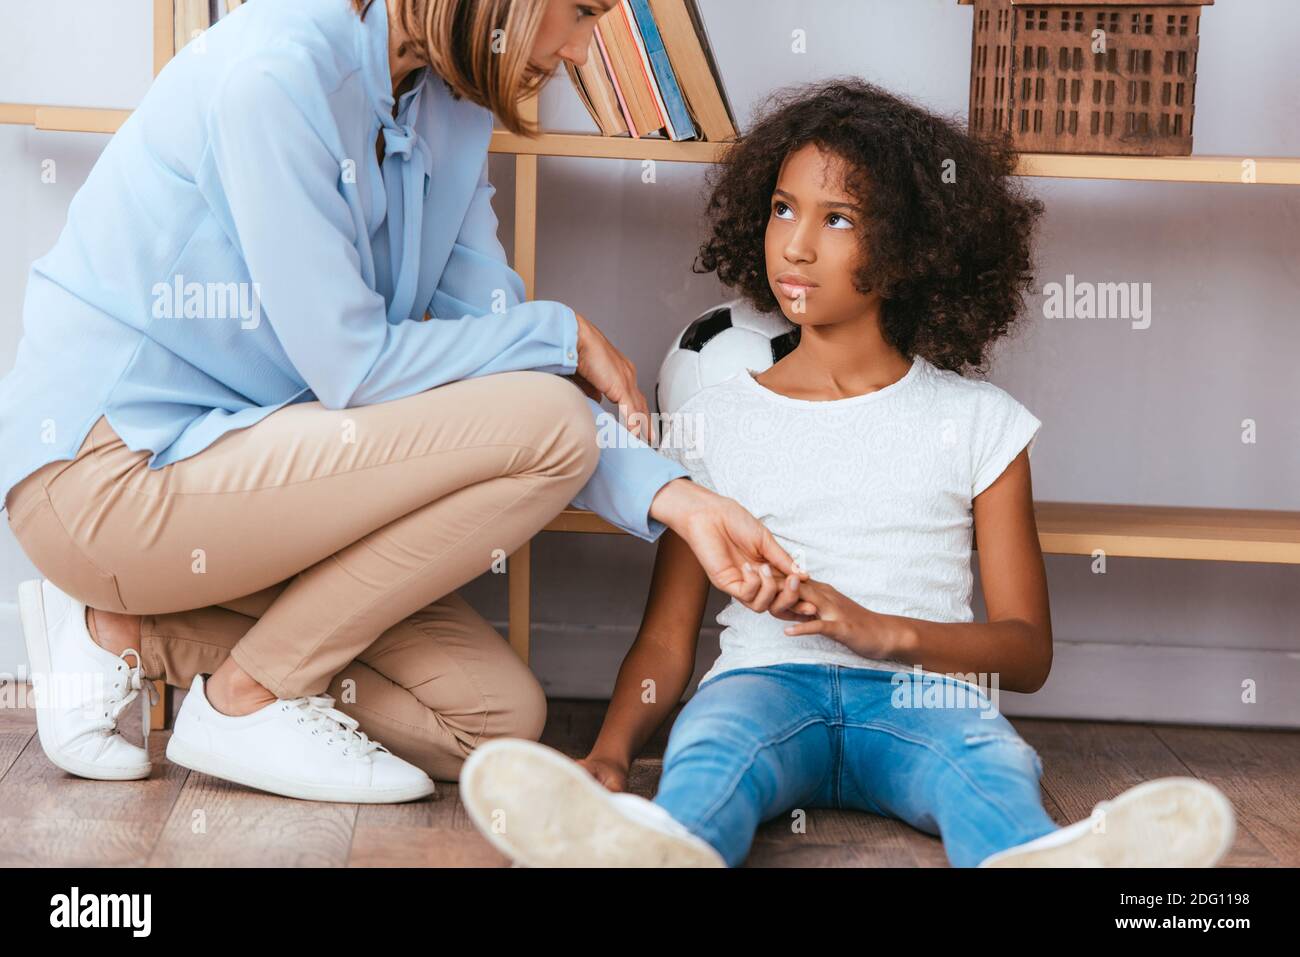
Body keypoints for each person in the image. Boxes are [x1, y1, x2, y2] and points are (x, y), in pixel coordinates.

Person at [2, 0, 804, 803]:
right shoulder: (275, 73)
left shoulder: (447, 103)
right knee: (553, 425)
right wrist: (560, 332)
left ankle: (120, 631)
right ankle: (241, 700)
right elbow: (354, 365)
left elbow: (490, 345)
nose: (581, 52)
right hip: (109, 478)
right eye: (581, 11)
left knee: (494, 719)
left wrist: (679, 498)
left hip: (250, 481)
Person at [457, 78, 1237, 867]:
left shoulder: (982, 422)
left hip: (924, 700)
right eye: (783, 208)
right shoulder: (714, 420)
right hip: (761, 685)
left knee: (992, 766)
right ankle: (660, 848)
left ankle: (1033, 857)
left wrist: (882, 630)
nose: (796, 245)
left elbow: (1028, 651)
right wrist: (612, 757)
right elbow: (667, 638)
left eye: (838, 219)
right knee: (711, 751)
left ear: (906, 250)